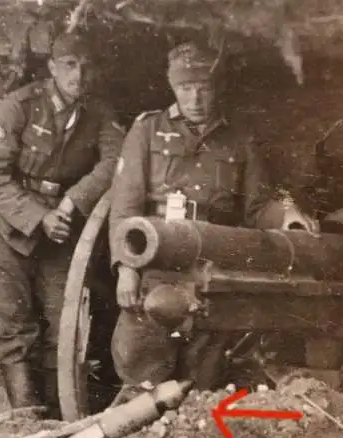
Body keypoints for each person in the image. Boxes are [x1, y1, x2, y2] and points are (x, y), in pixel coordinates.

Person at [108, 40, 317, 398]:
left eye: (202, 88)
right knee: (141, 372)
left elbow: (259, 205)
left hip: (210, 269)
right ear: (173, 87)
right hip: (154, 265)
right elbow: (125, 207)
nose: (194, 99)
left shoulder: (238, 139)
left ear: (215, 87)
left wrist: (289, 216)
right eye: (185, 88)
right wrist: (125, 267)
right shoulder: (146, 131)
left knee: (202, 379)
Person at [0, 32, 125, 418]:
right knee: (12, 320)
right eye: (71, 65)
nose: (80, 74)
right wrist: (39, 217)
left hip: (62, 226)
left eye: (87, 66)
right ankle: (26, 417)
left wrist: (72, 203)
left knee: (66, 323)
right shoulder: (21, 105)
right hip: (6, 226)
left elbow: (114, 163)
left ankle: (64, 419)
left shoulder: (100, 113)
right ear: (53, 67)